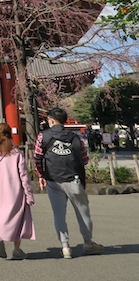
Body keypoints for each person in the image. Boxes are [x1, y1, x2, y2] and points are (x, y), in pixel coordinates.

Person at [34, 107, 104, 259]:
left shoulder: (42, 136)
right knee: (83, 212)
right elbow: (84, 159)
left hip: (53, 179)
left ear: (51, 120)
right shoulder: (75, 137)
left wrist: (41, 175)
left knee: (59, 214)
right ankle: (88, 243)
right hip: (74, 179)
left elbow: (38, 157)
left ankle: (65, 246)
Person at [0, 122, 34, 260]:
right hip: (13, 187)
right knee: (17, 216)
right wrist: (29, 194)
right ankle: (17, 249)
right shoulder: (16, 152)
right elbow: (24, 175)